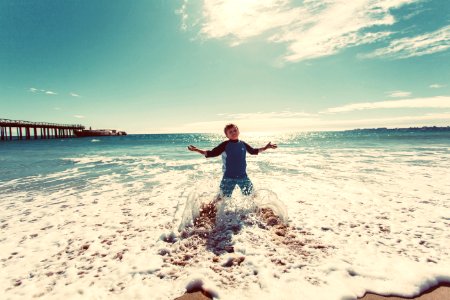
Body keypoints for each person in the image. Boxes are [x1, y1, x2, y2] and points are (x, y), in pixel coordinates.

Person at [187, 123, 277, 201]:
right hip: (229, 177)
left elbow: (253, 151)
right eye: (230, 132)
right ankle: (211, 209)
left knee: (252, 196)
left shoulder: (243, 144)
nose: (233, 133)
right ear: (227, 135)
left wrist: (266, 147)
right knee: (222, 198)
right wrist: (197, 150)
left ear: (238, 131)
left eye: (235, 130)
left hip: (243, 176)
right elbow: (211, 153)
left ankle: (255, 211)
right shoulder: (225, 145)